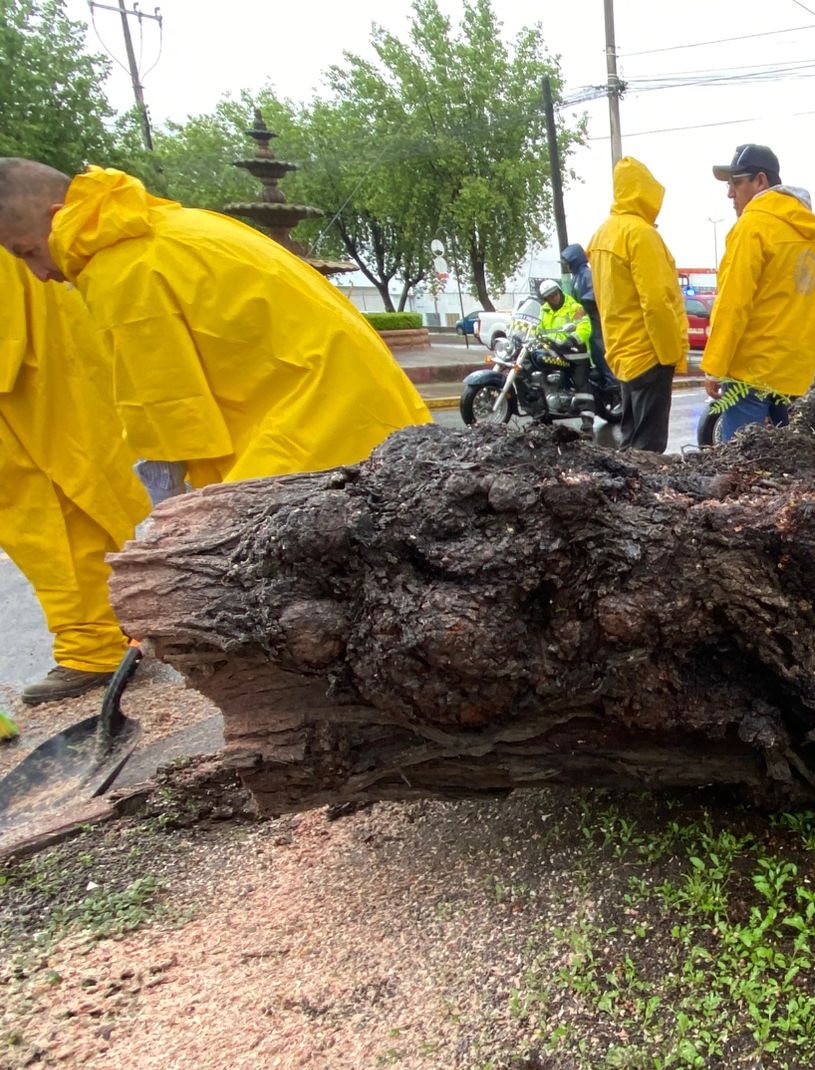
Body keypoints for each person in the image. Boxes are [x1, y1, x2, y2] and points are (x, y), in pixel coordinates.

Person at [0, 160, 430, 488]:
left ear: (58, 217)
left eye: (27, 253)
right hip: (366, 422)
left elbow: (166, 419)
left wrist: (166, 536)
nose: (38, 274)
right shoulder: (177, 226)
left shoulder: (121, 267)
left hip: (318, 437)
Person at [1, 249, 149, 704]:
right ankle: (138, 619)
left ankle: (99, 642)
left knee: (51, 503)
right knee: (96, 482)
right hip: (54, 352)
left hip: (29, 366)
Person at [702, 144, 815, 441]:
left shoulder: (753, 226)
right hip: (793, 374)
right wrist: (811, 365)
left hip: (752, 371)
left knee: (739, 463)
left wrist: (714, 366)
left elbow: (733, 302)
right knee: (786, 462)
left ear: (760, 180)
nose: (730, 193)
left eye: (735, 182)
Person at [588, 157, 688, 453]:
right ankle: (638, 497)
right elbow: (657, 302)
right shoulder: (641, 235)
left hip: (621, 353)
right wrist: (670, 354)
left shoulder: (602, 235)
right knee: (648, 449)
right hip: (649, 353)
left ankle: (619, 495)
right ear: (645, 192)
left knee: (631, 440)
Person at [559, 243, 615, 390]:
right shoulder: (575, 278)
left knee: (600, 353)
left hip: (595, 322)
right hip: (584, 324)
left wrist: (583, 308)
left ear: (574, 260)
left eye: (567, 263)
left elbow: (593, 294)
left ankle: (613, 384)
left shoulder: (586, 274)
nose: (566, 266)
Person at [534, 277, 594, 397]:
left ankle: (586, 411)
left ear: (560, 292)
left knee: (580, 384)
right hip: (554, 352)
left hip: (575, 353)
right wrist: (534, 339)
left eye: (555, 294)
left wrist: (571, 340)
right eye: (549, 297)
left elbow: (585, 327)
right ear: (546, 299)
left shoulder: (575, 308)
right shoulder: (543, 311)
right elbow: (537, 329)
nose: (554, 298)